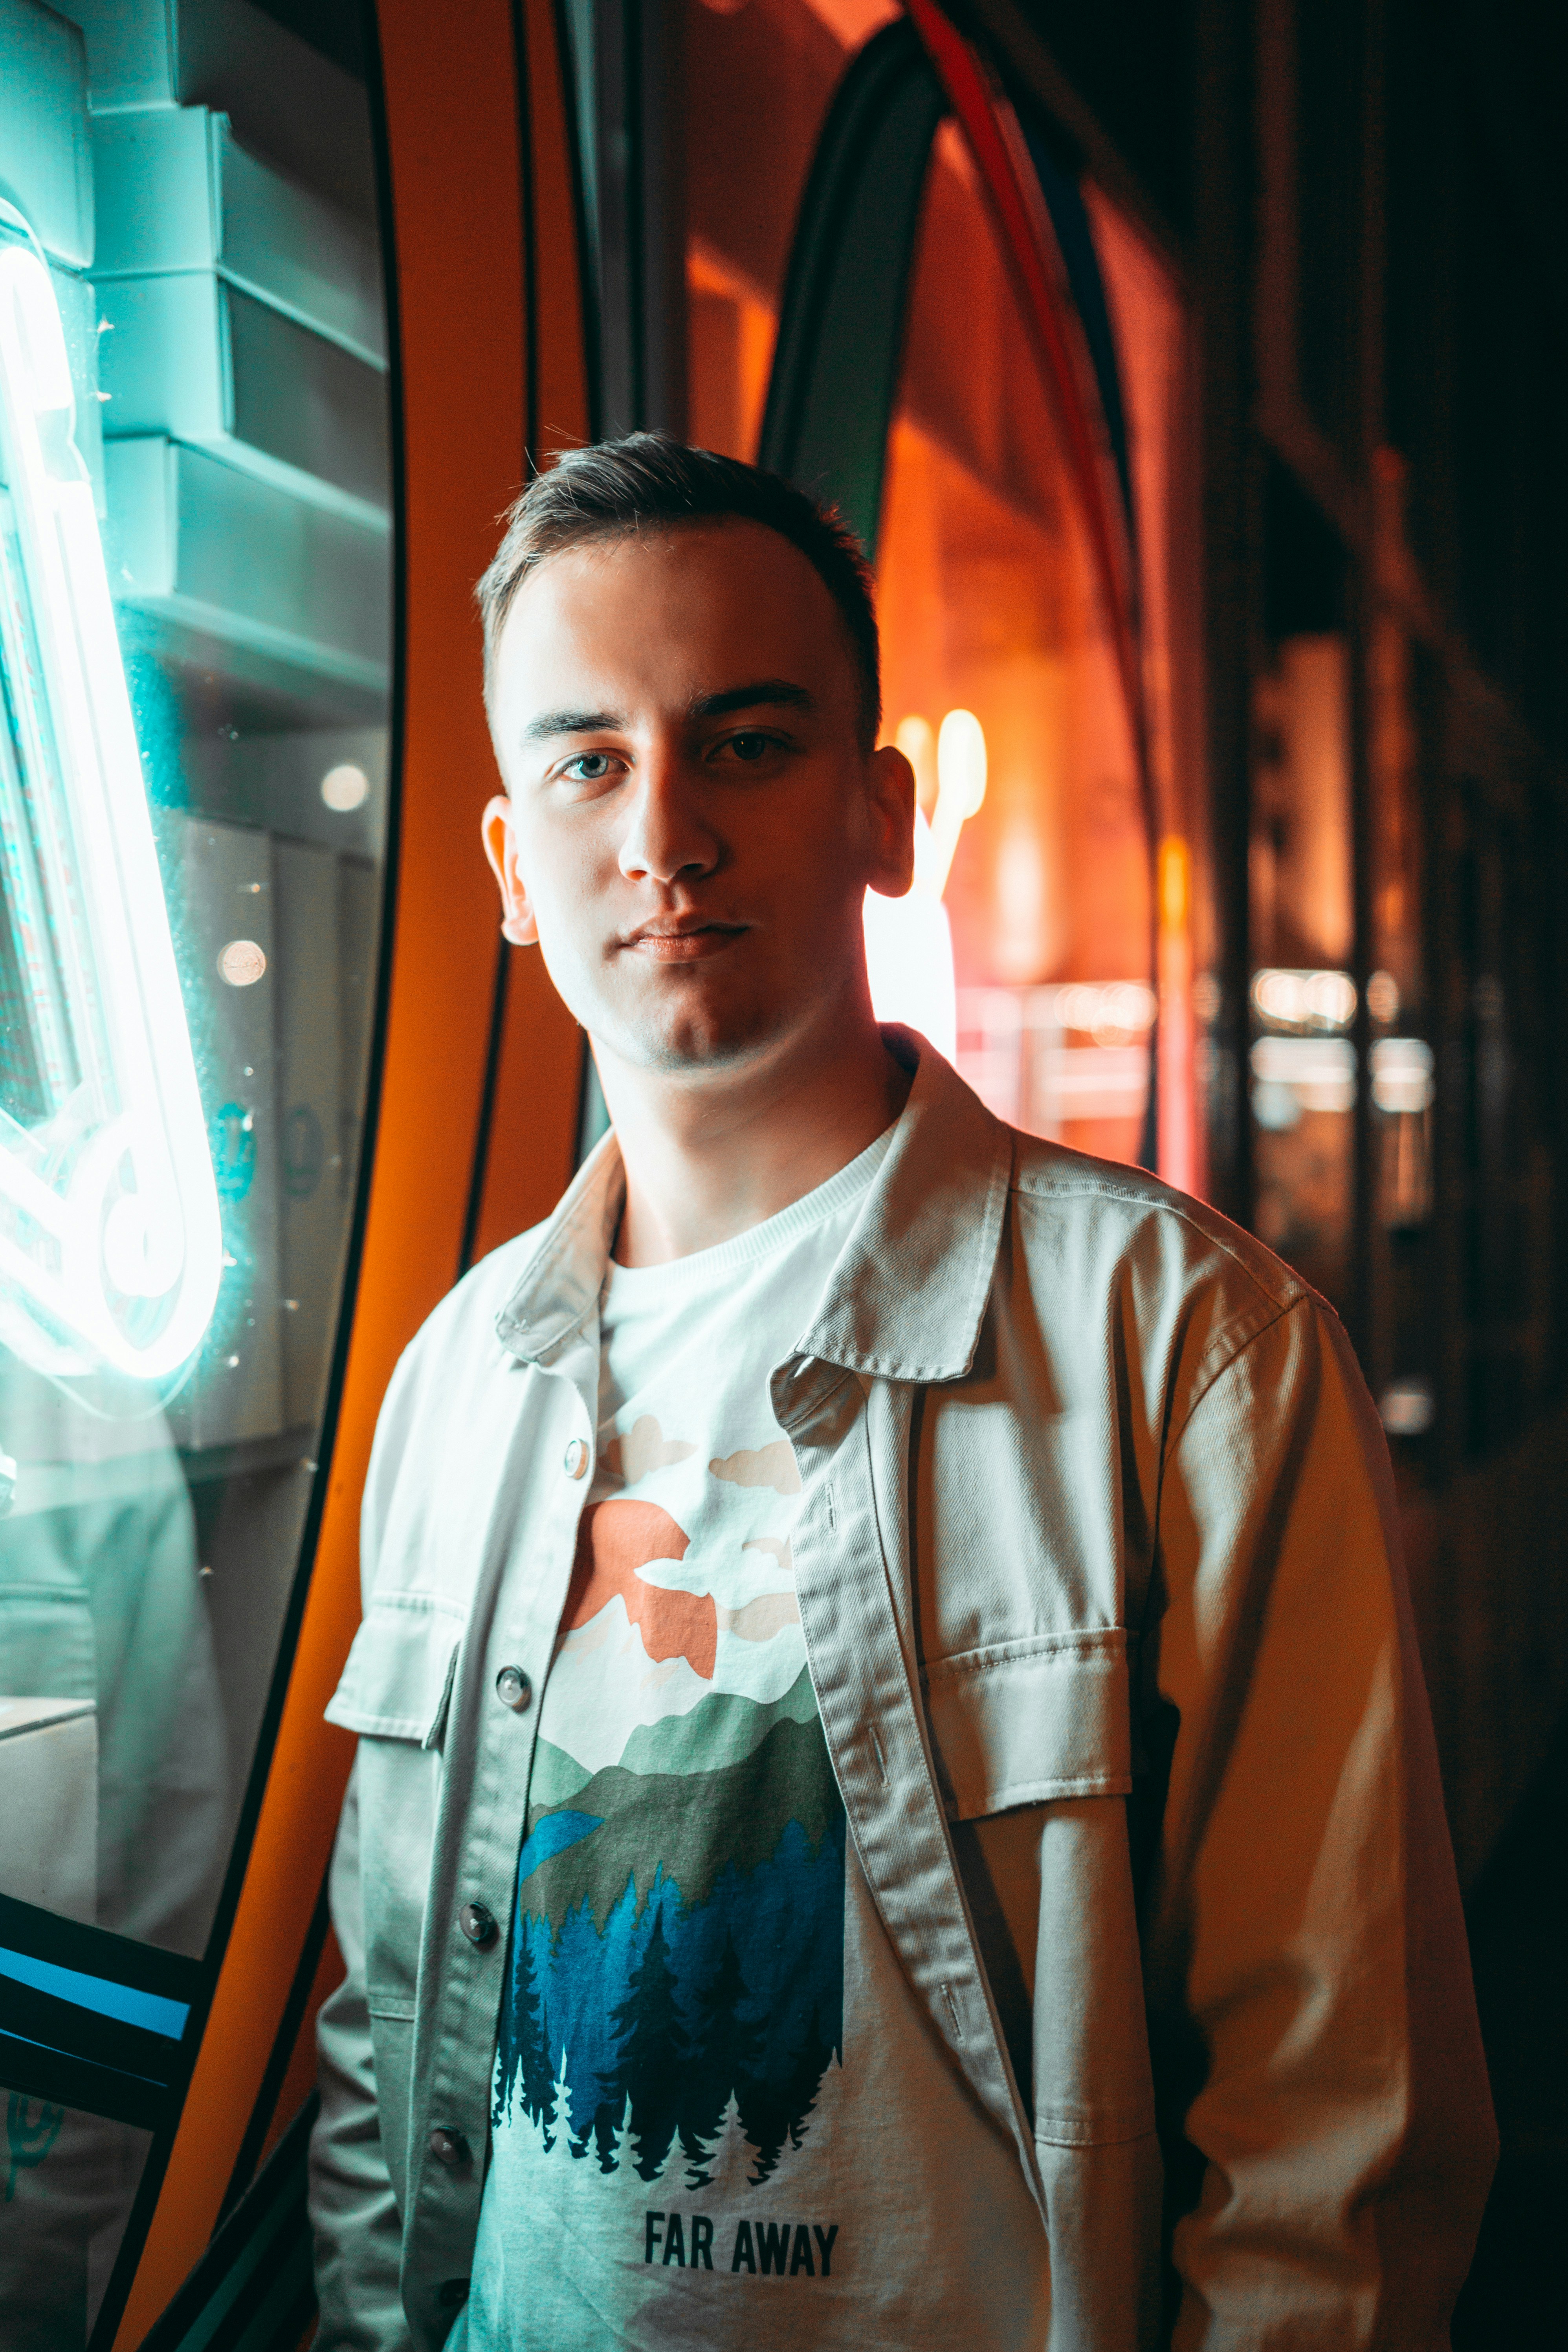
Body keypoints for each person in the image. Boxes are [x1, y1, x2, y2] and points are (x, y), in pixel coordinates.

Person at [308, 434, 1495, 2350]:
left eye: (746, 744)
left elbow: (1330, 2144)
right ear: (513, 867)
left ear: (881, 814)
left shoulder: (1184, 1348)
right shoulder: (456, 1386)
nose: (664, 833)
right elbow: (381, 2040)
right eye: (588, 761)